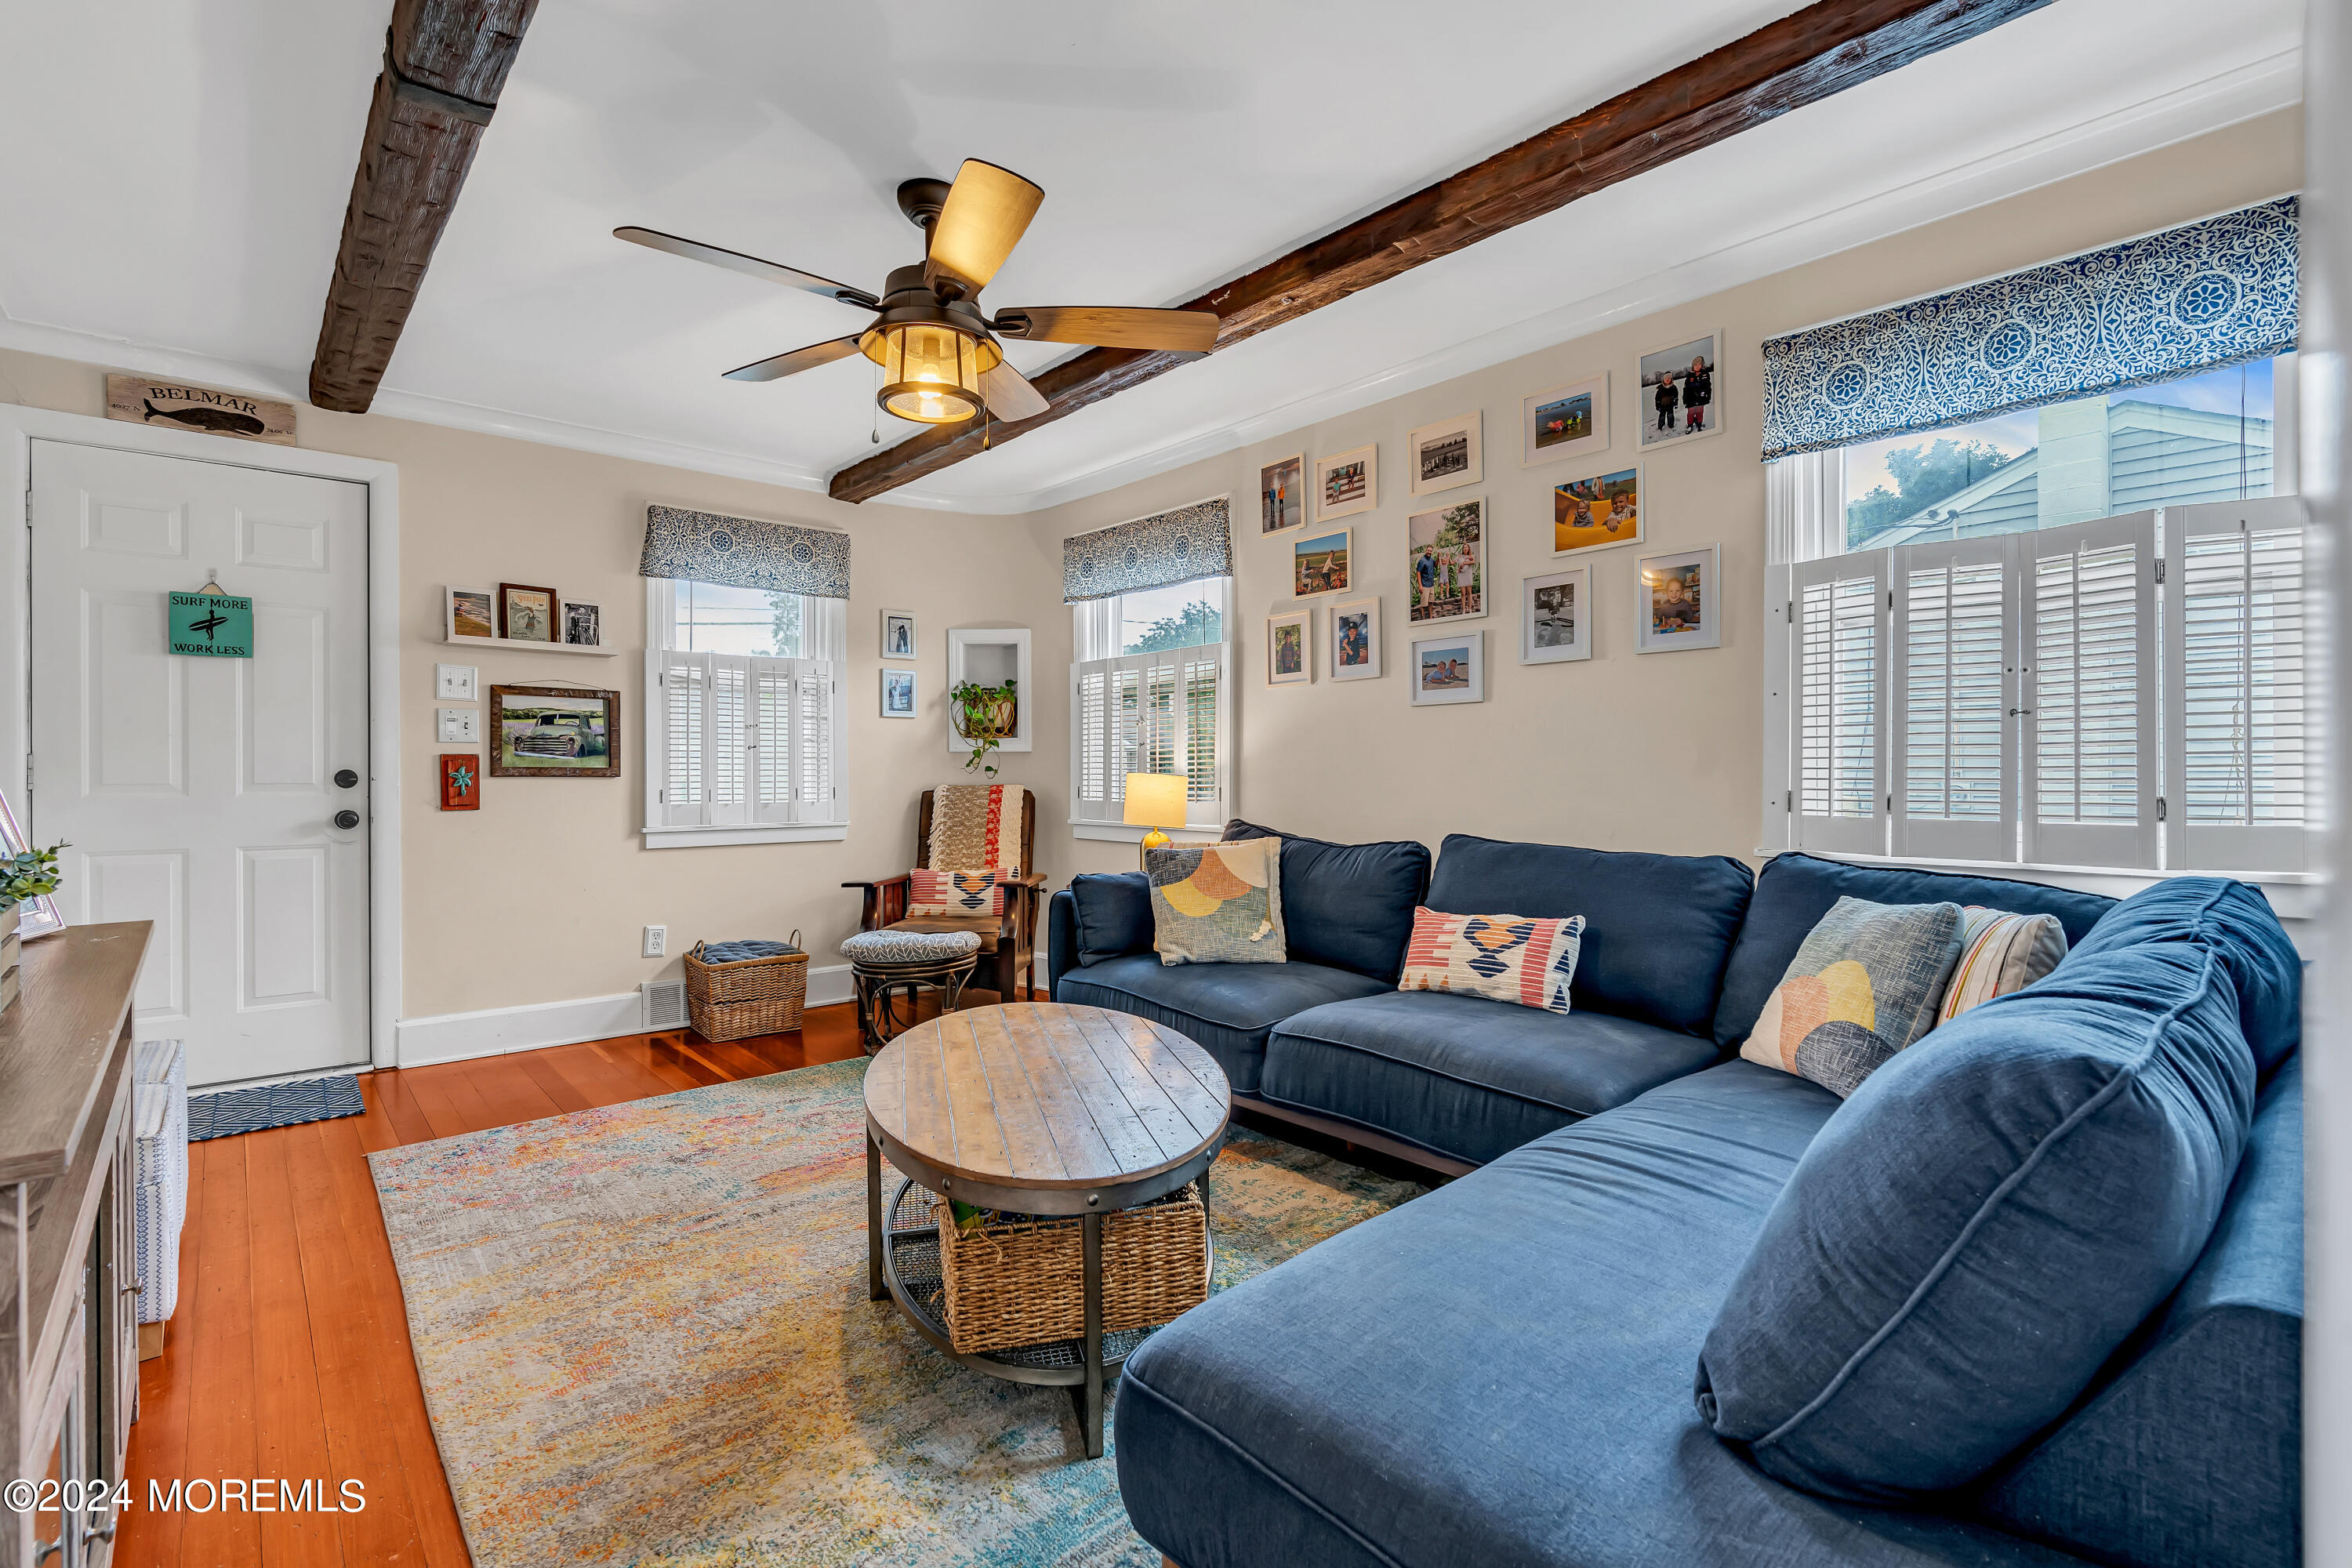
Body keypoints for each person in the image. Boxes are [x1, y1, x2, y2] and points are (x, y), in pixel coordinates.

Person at [1683, 354, 1712, 434]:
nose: (1698, 366)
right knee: (1691, 413)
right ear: (1693, 366)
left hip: (1701, 398)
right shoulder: (1689, 376)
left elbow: (1708, 387)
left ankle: (1699, 424)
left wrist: (1708, 397)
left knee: (1700, 412)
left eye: (1699, 364)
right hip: (1691, 399)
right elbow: (1685, 390)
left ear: (1702, 365)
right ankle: (1690, 425)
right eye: (1696, 365)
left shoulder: (1705, 374)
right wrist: (1685, 400)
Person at [1654, 370, 1677, 434]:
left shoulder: (1674, 388)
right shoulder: (1661, 389)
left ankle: (1671, 425)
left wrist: (1676, 403)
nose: (1667, 380)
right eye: (1666, 379)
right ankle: (1660, 427)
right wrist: (1657, 406)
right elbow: (1657, 399)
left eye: (1669, 378)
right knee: (1662, 416)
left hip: (1670, 405)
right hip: (1662, 406)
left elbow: (1676, 397)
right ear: (1664, 380)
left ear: (1671, 379)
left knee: (1670, 415)